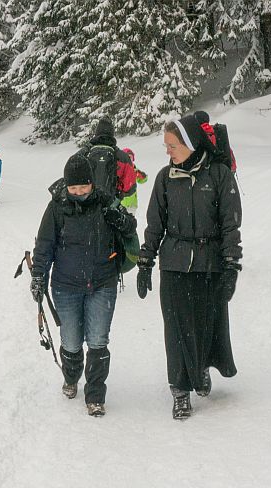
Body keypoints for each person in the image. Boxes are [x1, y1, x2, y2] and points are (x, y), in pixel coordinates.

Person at [136, 111, 242, 420]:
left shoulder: (219, 175)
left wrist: (231, 265)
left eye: (172, 145)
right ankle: (180, 390)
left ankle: (202, 369)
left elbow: (230, 225)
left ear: (191, 143)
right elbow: (154, 224)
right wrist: (146, 260)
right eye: (166, 146)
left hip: (210, 265)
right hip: (174, 264)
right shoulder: (164, 178)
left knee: (206, 324)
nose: (167, 151)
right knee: (176, 329)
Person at [30, 153, 137, 417]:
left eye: (83, 186)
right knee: (72, 341)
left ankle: (95, 395)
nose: (78, 192)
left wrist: (122, 220)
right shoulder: (56, 207)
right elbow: (44, 246)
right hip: (65, 286)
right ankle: (71, 375)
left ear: (91, 183)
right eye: (73, 187)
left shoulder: (106, 202)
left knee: (98, 340)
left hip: (102, 283)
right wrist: (39, 276)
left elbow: (130, 229)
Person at [76, 117, 136, 200]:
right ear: (112, 133)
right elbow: (130, 187)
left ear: (96, 133)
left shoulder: (83, 154)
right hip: (110, 204)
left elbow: (71, 178)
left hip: (86, 204)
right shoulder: (122, 157)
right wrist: (117, 193)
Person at [119, 148, 149, 214]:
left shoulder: (135, 170)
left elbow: (142, 180)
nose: (129, 159)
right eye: (127, 157)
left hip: (132, 203)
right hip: (121, 202)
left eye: (131, 157)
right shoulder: (119, 169)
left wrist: (143, 176)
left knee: (130, 221)